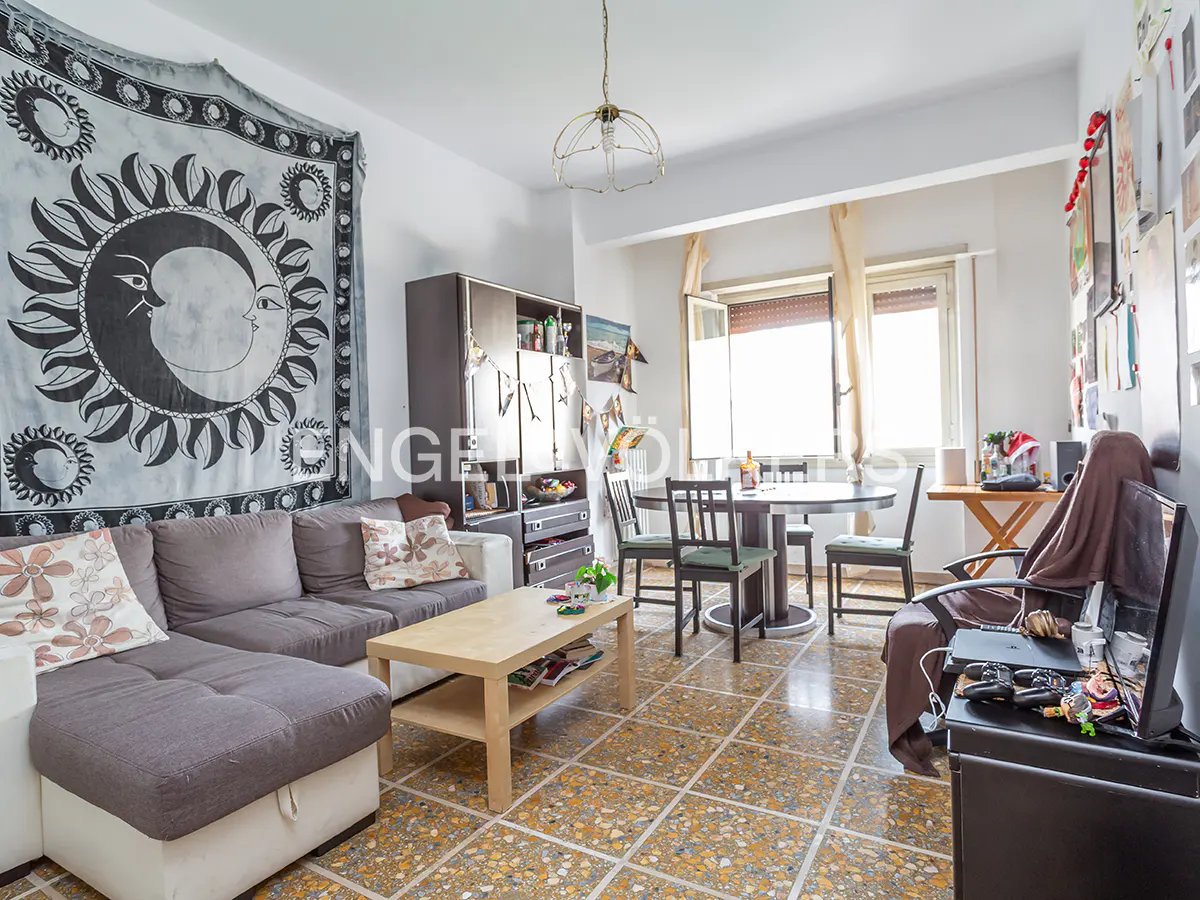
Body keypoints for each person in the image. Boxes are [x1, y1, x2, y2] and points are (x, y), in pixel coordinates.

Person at [881, 431, 1155, 776]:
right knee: (928, 614)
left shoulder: (1099, 513)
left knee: (918, 624)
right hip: (1034, 601)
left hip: (1041, 616)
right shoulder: (1108, 511)